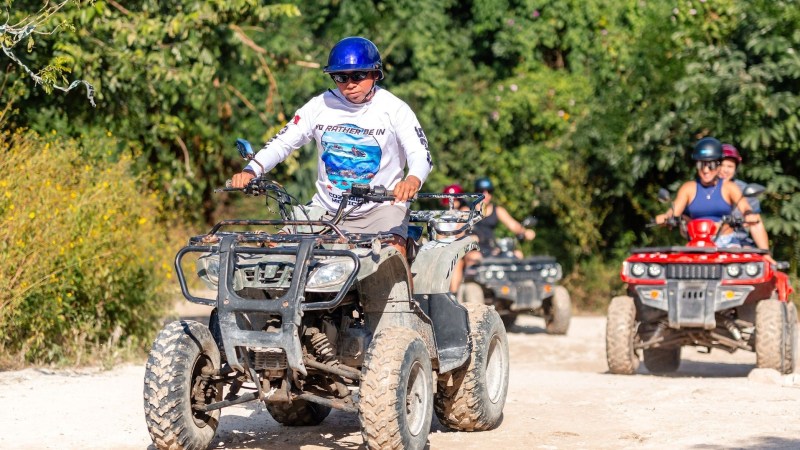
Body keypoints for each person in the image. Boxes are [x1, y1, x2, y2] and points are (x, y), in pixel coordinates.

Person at [230, 36, 432, 258]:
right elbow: (282, 142)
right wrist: (251, 170)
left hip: (381, 209)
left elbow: (419, 153)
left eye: (359, 75)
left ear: (375, 74)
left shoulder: (395, 109)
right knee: (278, 252)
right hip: (325, 211)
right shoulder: (319, 106)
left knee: (392, 256)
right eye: (340, 77)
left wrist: (412, 180)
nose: (350, 84)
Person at [655, 137, 774, 263]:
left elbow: (745, 208)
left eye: (710, 165)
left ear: (718, 165)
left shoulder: (729, 187)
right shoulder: (688, 188)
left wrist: (748, 215)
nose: (706, 170)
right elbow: (674, 211)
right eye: (701, 165)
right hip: (696, 244)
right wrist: (665, 217)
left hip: (727, 243)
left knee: (742, 269)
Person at [463, 177, 536, 267]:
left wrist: (525, 232)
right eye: (481, 191)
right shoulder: (466, 210)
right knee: (474, 257)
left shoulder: (498, 210)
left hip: (492, 248)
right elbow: (458, 231)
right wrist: (468, 238)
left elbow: (513, 225)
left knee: (517, 254)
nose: (485, 194)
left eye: (489, 191)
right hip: (474, 249)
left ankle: (515, 280)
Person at [719, 143, 761, 247]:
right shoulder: (702, 187)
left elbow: (756, 223)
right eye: (721, 165)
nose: (725, 170)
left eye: (730, 166)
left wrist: (765, 253)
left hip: (740, 241)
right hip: (707, 241)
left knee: (750, 257)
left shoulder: (744, 190)